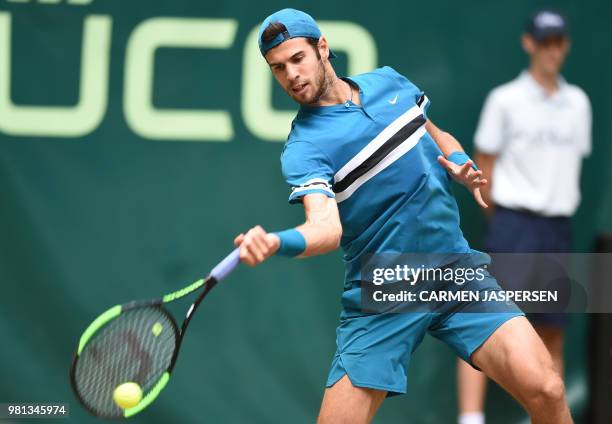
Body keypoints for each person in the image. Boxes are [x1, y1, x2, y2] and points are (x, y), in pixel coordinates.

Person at [235, 8, 573, 424]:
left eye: (297, 59)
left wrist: (460, 162)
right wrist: (277, 242)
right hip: (386, 290)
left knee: (548, 388)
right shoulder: (304, 148)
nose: (291, 75)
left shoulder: (389, 82)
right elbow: (325, 228)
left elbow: (436, 135)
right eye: (278, 68)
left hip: (455, 271)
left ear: (322, 48)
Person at [456, 9, 591, 424]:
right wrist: (507, 220)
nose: (552, 50)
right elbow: (485, 170)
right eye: (544, 42)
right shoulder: (505, 100)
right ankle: (471, 418)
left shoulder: (578, 103)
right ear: (529, 44)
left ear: (565, 45)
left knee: (552, 330)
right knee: (485, 322)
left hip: (557, 229)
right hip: (513, 227)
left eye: (559, 42)